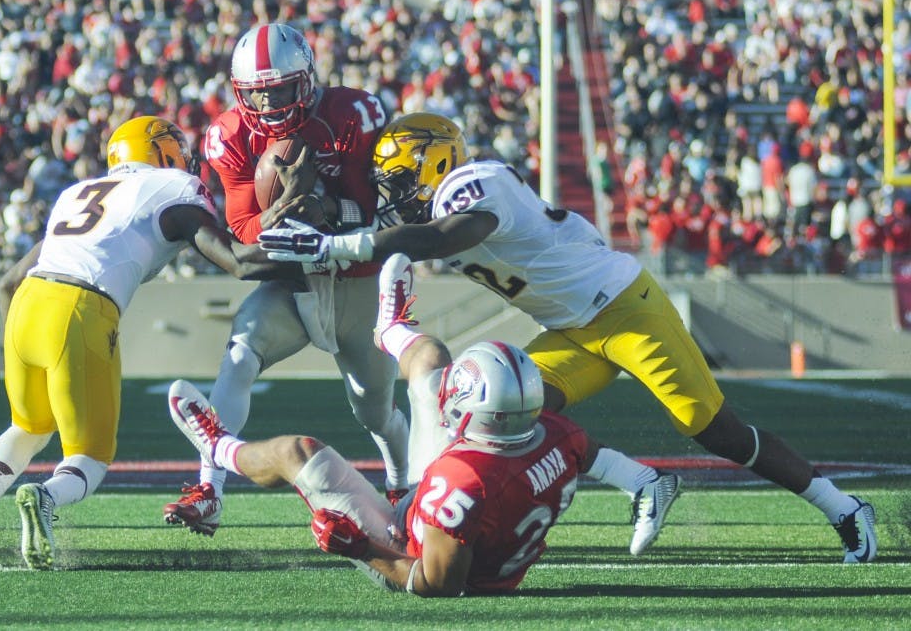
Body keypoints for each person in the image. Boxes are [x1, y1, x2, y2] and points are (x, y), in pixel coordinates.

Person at [259, 112, 878, 564]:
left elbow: (443, 238)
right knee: (496, 414)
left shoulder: (475, 184)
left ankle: (844, 508)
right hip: (573, 329)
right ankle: (644, 482)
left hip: (627, 310)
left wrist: (344, 243)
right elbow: (410, 241)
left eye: (397, 180)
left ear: (434, 163)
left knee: (717, 431)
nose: (393, 195)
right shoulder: (431, 211)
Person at [0, 116, 299, 570]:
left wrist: (20, 347)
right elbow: (236, 261)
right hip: (81, 309)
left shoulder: (78, 192)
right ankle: (45, 496)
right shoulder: (173, 186)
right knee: (91, 457)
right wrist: (308, 250)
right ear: (159, 151)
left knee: (29, 427)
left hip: (26, 307)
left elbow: (9, 281)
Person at [167, 254, 593, 595]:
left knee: (297, 453)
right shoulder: (553, 434)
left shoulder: (465, 482)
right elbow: (593, 456)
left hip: (403, 554)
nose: (451, 405)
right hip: (453, 504)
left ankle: (219, 446)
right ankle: (391, 329)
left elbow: (437, 584)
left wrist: (361, 547)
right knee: (430, 363)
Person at [162, 23, 410, 537]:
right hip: (292, 284)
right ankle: (209, 489)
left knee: (375, 410)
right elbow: (245, 230)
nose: (270, 101)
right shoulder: (230, 136)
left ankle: (403, 485)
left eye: (280, 87)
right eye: (258, 91)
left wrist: (321, 207)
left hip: (354, 278)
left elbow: (374, 208)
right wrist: (284, 206)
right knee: (239, 354)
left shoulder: (352, 114)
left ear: (307, 79)